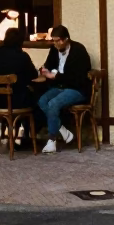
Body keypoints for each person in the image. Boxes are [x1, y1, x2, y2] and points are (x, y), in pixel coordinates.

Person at [36, 25, 91, 154]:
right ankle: (63, 130)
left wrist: (55, 76)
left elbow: (77, 77)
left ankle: (52, 140)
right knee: (42, 101)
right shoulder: (54, 49)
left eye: (58, 41)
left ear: (66, 39)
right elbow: (48, 65)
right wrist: (44, 70)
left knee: (53, 103)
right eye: (53, 41)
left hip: (77, 89)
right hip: (59, 86)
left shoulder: (78, 51)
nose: (55, 44)